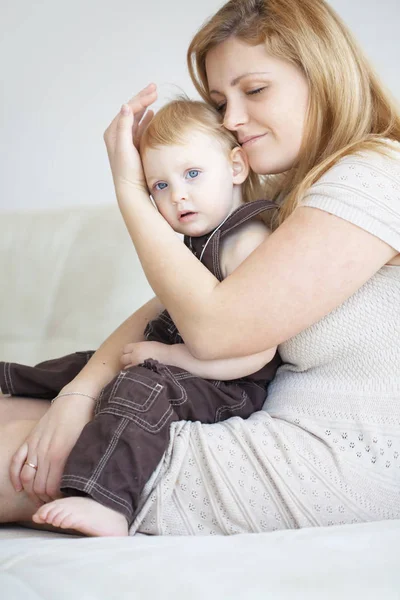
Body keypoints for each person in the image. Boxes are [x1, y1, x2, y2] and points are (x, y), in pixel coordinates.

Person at [1, 0, 399, 537]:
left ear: (324, 76)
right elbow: (172, 304)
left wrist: (130, 190)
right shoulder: (298, 193)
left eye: (254, 90)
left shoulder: (375, 176)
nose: (231, 119)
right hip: (266, 423)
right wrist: (77, 396)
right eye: (219, 100)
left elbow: (214, 330)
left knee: (12, 452)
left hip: (327, 459)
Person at [0, 98, 281, 535]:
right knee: (82, 363)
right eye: (159, 186)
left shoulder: (247, 241)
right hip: (183, 364)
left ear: (237, 167)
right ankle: (10, 384)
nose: (178, 194)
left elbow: (258, 353)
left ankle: (108, 502)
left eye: (191, 174)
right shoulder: (198, 240)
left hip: (229, 382)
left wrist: (172, 359)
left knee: (141, 385)